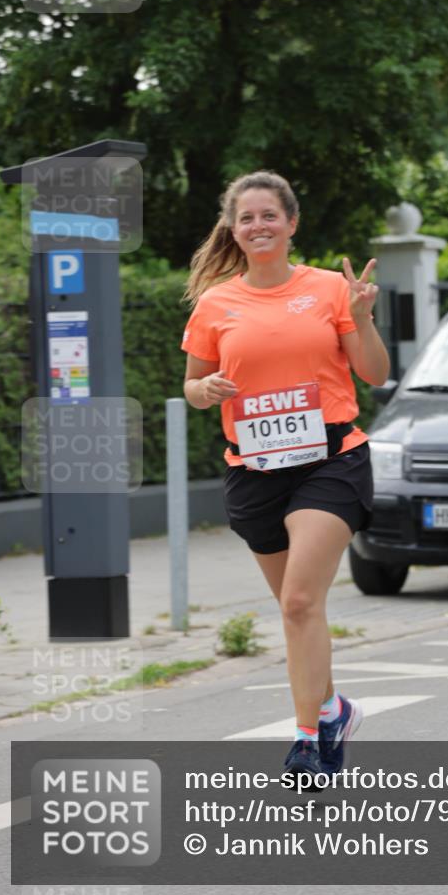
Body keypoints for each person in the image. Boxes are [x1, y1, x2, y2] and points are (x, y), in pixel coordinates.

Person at [180, 170, 390, 784]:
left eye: (269, 215)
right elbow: (193, 387)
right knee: (299, 613)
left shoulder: (329, 290)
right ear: (234, 229)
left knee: (300, 601)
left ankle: (306, 740)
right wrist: (205, 388)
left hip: (330, 459)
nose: (258, 226)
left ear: (291, 224)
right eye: (246, 218)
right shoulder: (216, 303)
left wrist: (363, 316)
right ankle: (334, 708)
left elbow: (373, 375)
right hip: (256, 470)